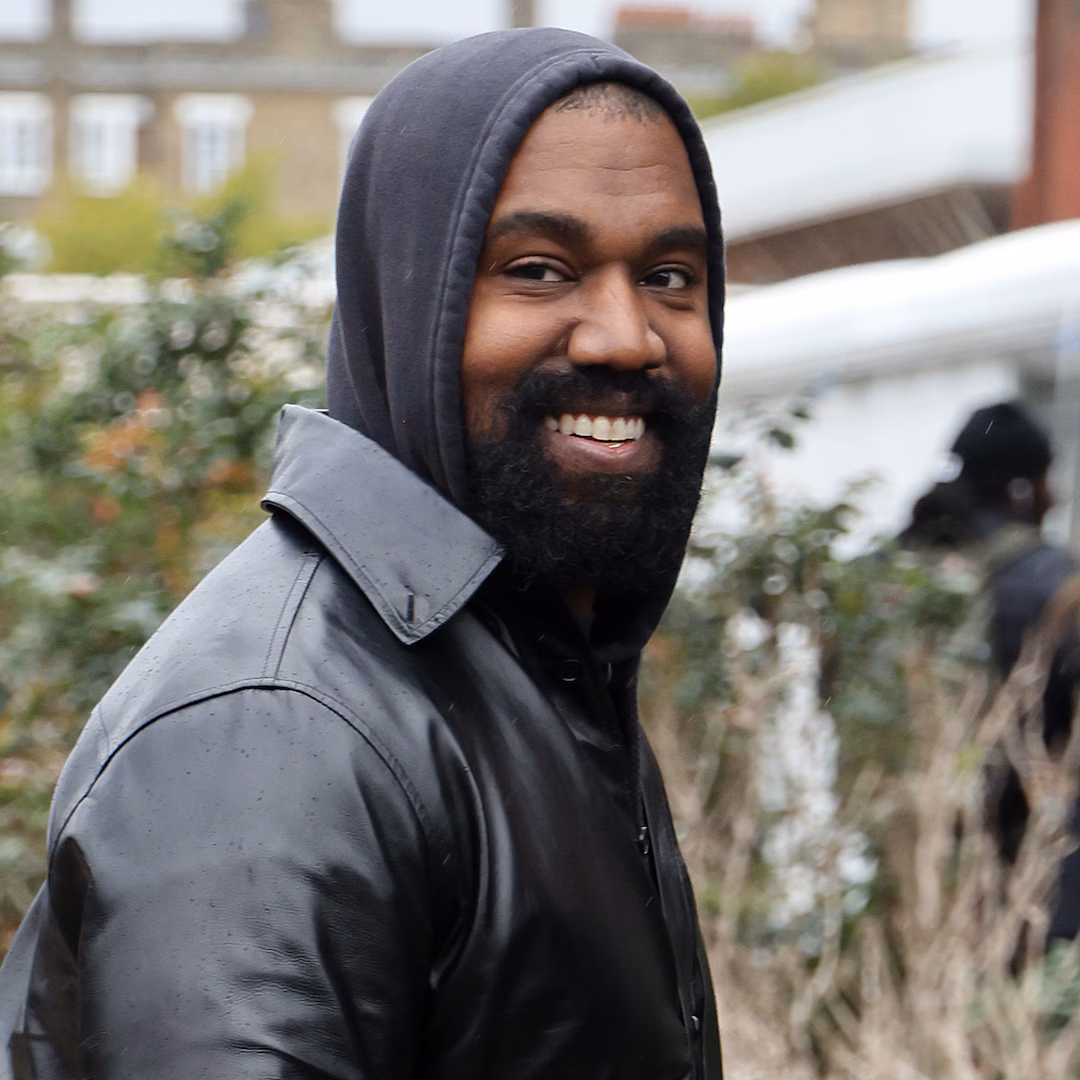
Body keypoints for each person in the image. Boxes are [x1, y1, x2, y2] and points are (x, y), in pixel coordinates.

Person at [0, 27, 726, 1078]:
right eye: (538, 270)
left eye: (668, 275)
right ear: (409, 298)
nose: (626, 335)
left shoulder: (540, 656)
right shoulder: (277, 728)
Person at [903, 400, 1080, 939]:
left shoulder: (886, 570)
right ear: (1024, 488)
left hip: (902, 854)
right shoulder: (1055, 583)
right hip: (1016, 869)